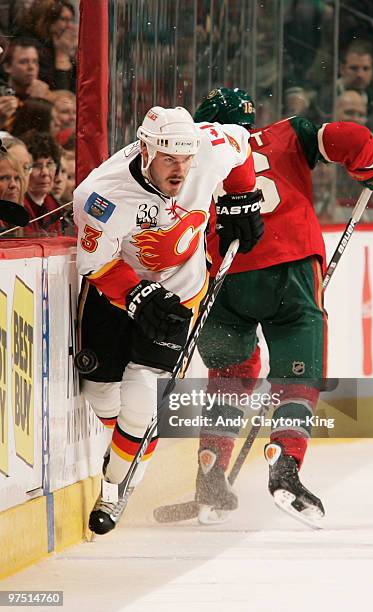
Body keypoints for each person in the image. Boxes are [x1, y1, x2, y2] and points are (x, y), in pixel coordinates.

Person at [191, 87, 373, 526]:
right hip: (291, 268)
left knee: (229, 376)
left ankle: (210, 466)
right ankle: (284, 463)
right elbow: (352, 137)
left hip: (222, 275)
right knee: (298, 376)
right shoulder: (288, 133)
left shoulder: (189, 159)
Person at [73, 105, 264, 535]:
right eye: (168, 159)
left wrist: (240, 197)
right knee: (101, 394)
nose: (180, 170)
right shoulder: (101, 196)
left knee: (142, 398)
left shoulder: (208, 150)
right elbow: (96, 263)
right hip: (114, 289)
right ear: (145, 150)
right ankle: (133, 444)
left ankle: (116, 484)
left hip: (182, 289)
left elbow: (241, 141)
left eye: (185, 159)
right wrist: (136, 293)